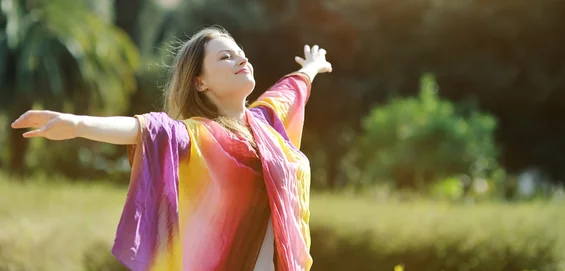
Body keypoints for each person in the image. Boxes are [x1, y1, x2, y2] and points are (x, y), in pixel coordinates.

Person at [11, 26, 332, 271]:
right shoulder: (198, 135)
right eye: (225, 57)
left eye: (240, 52)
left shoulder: (267, 120)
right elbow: (145, 130)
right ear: (200, 82)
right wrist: (79, 124)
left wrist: (313, 66)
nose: (242, 59)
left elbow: (292, 88)